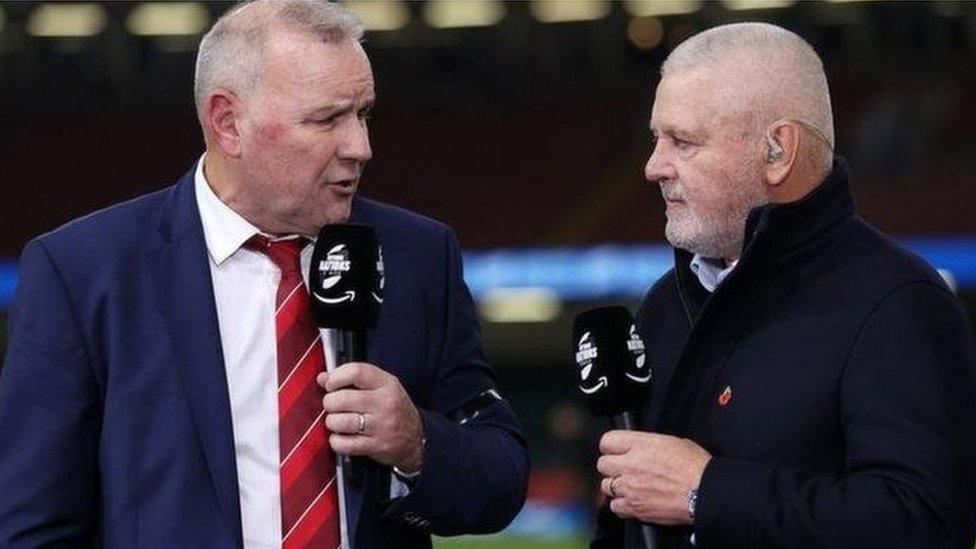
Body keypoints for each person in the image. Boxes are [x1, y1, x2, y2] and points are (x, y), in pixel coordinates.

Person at [0, 2, 528, 547]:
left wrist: (419, 444)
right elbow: (32, 527)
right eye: (326, 120)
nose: (360, 148)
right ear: (228, 122)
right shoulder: (84, 273)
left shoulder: (418, 255)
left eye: (363, 114)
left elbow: (502, 477)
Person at [592, 22, 976, 548]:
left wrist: (706, 492)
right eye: (657, 139)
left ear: (778, 151)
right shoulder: (665, 304)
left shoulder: (899, 304)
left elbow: (924, 524)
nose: (653, 167)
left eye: (683, 141)